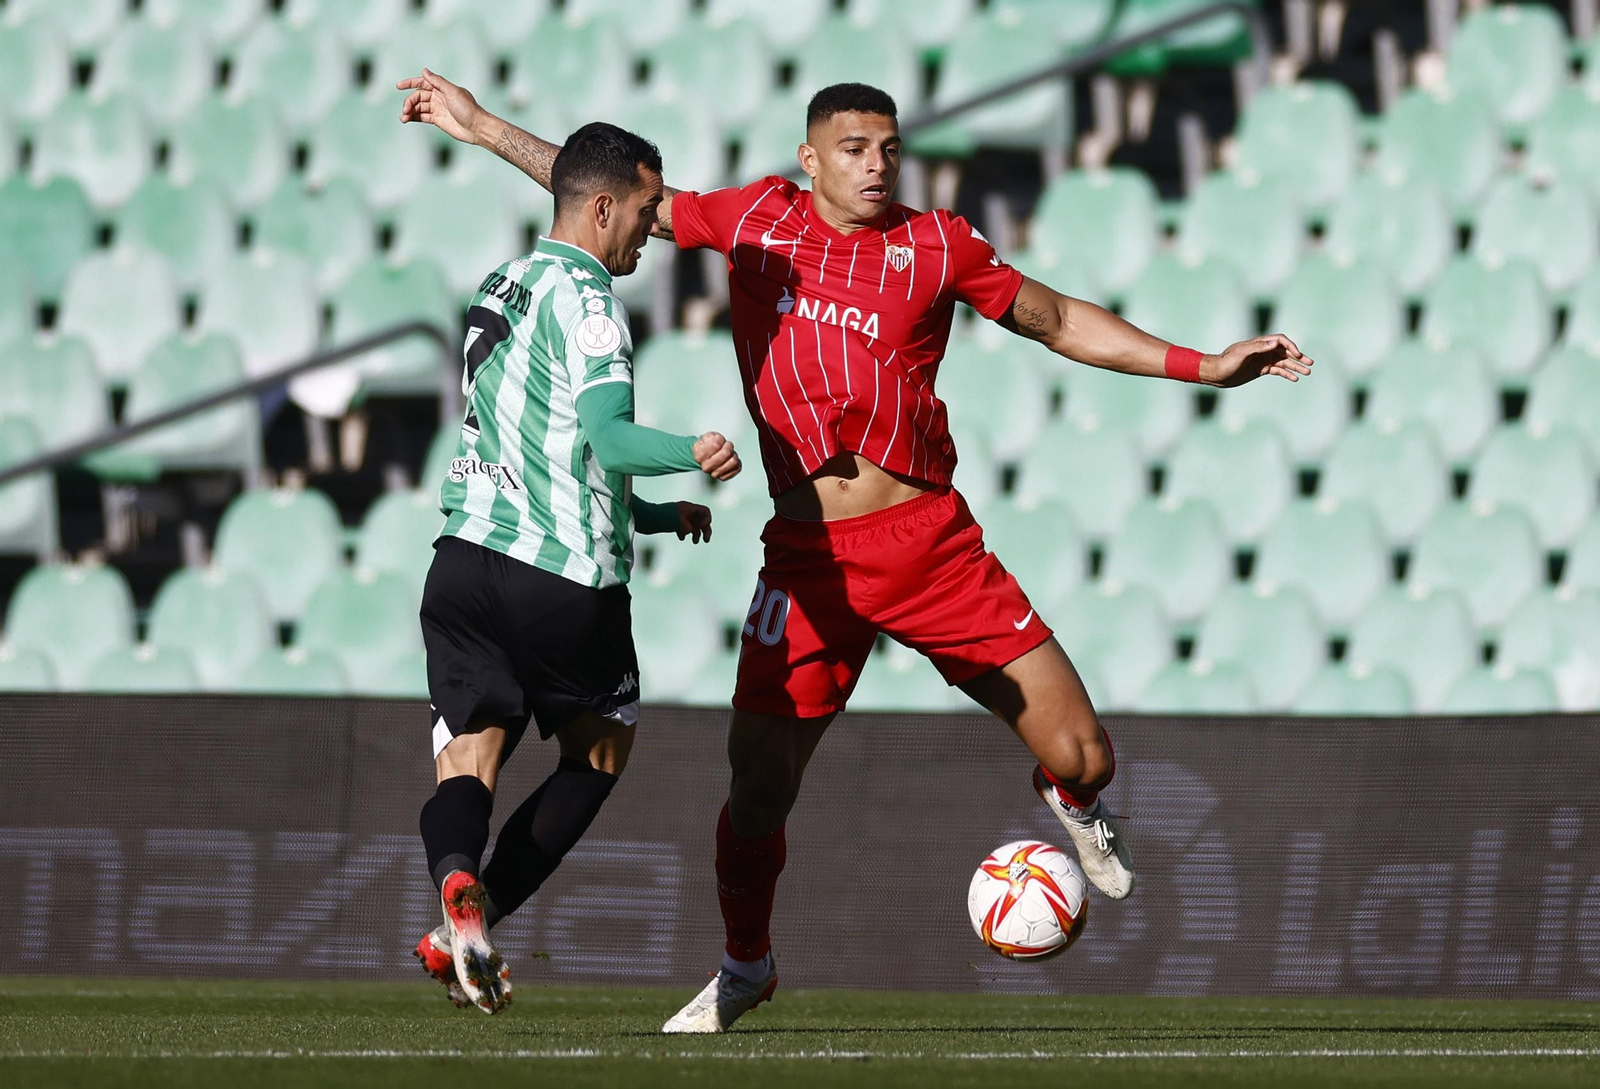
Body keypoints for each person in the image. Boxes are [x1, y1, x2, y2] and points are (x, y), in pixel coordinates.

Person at [397, 71, 1311, 1030]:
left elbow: (1058, 319)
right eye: (854, 148)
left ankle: (1074, 804)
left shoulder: (938, 244)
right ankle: (746, 962)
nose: (876, 166)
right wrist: (483, 128)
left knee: (1083, 751)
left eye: (888, 148)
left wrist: (1202, 364)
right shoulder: (756, 219)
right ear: (810, 157)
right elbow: (611, 194)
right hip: (806, 558)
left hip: (929, 545)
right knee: (756, 785)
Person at [411, 120, 743, 1015]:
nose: (652, 228)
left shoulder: (501, 283)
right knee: (600, 748)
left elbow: (546, 445)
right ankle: (474, 923)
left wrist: (654, 517)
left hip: (462, 563)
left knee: (469, 760)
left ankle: (455, 889)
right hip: (555, 580)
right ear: (603, 206)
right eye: (645, 209)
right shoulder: (591, 300)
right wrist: (691, 449)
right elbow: (606, 437)